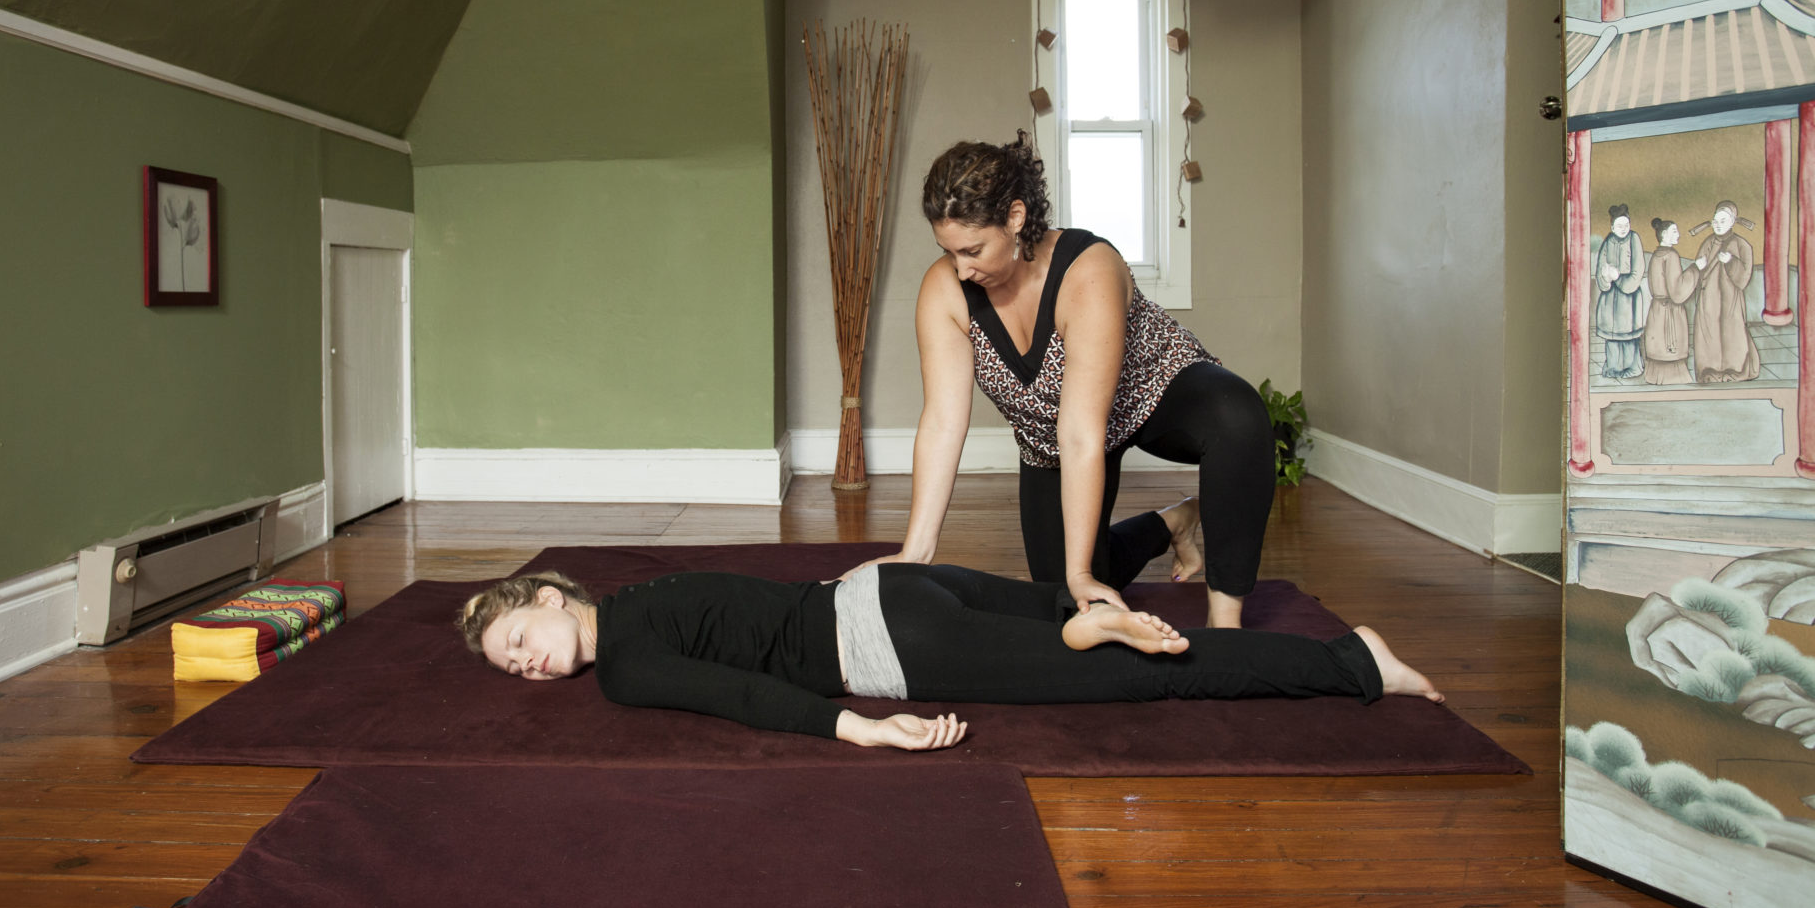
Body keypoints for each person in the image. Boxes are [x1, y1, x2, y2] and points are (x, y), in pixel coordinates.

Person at [858, 134, 1274, 627]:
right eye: (948, 253)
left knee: (1239, 417)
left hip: (1151, 391)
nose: (961, 269)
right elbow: (944, 422)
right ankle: (1171, 523)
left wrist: (1080, 570)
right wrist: (915, 552)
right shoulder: (944, 291)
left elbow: (1083, 431)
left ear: (1015, 218)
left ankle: (1225, 625)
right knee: (1064, 602)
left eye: (972, 250)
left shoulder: (1087, 270)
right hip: (1052, 440)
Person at [457, 564, 1444, 751]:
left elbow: (740, 694)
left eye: (519, 642)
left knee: (1150, 671)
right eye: (512, 669)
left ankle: (1354, 662)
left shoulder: (627, 658)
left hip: (889, 642)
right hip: (891, 584)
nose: (529, 665)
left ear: (552, 599)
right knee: (1070, 612)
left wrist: (861, 729)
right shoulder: (648, 593)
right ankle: (1084, 602)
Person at [1691, 200, 1761, 384]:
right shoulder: (1707, 243)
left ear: (1732, 222)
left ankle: (1735, 370)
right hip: (1709, 298)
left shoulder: (1742, 245)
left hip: (1731, 299)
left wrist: (1731, 261)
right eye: (1715, 221)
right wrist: (1701, 268)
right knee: (1709, 332)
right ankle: (1709, 370)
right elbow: (1699, 269)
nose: (1718, 225)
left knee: (1732, 331)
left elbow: (1744, 277)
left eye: (1723, 221)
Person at [1594, 204, 1647, 379]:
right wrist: (1606, 279)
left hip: (1628, 297)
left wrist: (1620, 279)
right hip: (1610, 297)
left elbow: (1638, 269)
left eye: (1626, 225)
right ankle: (1613, 367)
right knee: (1612, 336)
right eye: (1619, 226)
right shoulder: (1608, 241)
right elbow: (1601, 266)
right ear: (1612, 227)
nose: (1623, 229)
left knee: (1629, 337)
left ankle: (1633, 367)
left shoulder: (1634, 239)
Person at [1643, 217, 1698, 385]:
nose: (1679, 235)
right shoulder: (1671, 255)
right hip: (1670, 311)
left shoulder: (1657, 254)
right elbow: (1677, 291)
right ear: (1665, 234)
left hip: (1657, 310)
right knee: (1670, 348)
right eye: (1675, 231)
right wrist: (1696, 269)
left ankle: (1655, 378)